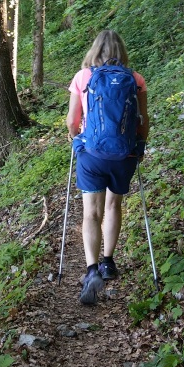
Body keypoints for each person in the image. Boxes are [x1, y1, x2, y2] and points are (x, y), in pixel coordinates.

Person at [66, 30, 148, 305]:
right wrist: (140, 147)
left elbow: (72, 120)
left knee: (91, 212)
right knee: (114, 205)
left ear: (95, 49)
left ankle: (91, 270)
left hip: (92, 154)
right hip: (124, 154)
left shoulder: (83, 77)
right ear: (122, 51)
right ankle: (108, 262)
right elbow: (143, 119)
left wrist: (76, 140)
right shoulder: (135, 79)